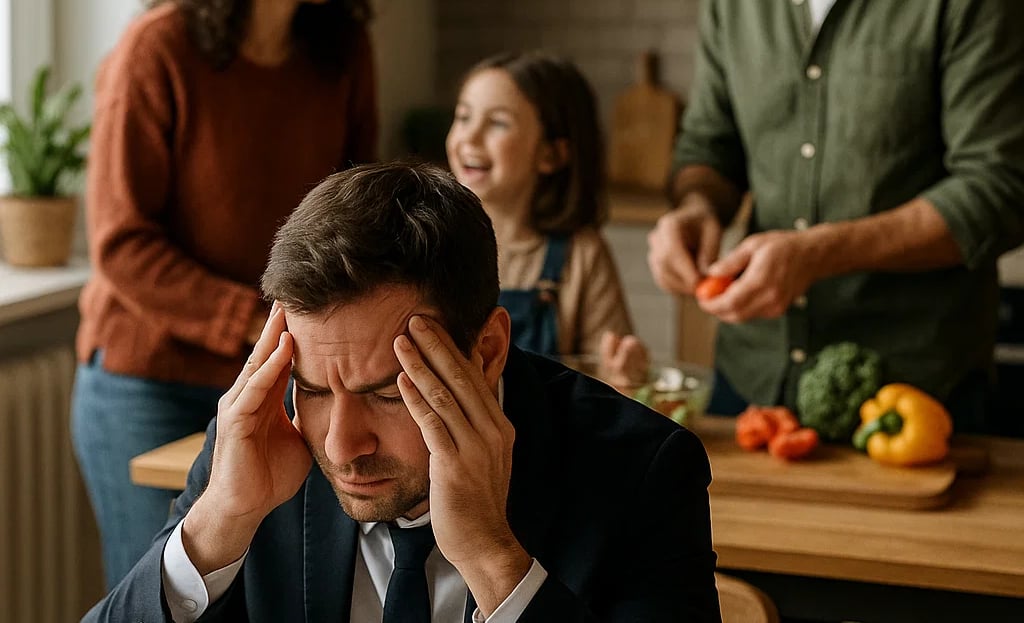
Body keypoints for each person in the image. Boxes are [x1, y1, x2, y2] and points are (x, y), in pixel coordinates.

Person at [82, 162, 721, 622]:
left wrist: (492, 559)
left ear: (487, 351)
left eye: (389, 394)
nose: (342, 446)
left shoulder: (643, 470)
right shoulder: (258, 439)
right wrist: (217, 524)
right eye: (314, 388)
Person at [71, 0, 377, 588]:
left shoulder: (344, 49)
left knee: (271, 592)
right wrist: (261, 323)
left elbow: (355, 214)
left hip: (285, 373)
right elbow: (121, 244)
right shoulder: (158, 48)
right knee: (165, 590)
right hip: (150, 382)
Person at [647, 0, 1024, 433]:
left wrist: (820, 253)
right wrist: (697, 207)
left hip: (911, 394)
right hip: (753, 376)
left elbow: (1001, 185)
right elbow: (708, 145)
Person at [446, 52, 649, 386]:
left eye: (498, 123)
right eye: (464, 117)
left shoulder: (582, 254)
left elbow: (607, 381)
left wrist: (624, 373)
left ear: (551, 154)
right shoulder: (430, 242)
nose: (469, 137)